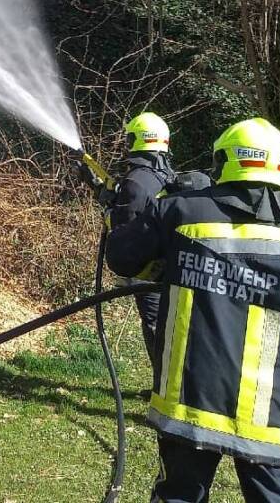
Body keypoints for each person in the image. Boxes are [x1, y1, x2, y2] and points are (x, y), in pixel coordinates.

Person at [106, 118, 280, 503]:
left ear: (222, 163)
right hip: (269, 414)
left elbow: (124, 259)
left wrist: (132, 213)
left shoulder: (179, 213)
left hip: (188, 403)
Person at [107, 111, 176, 377]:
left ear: (135, 140)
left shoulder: (136, 180)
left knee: (155, 326)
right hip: (171, 265)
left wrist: (108, 212)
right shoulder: (165, 174)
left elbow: (126, 231)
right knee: (170, 327)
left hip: (149, 271)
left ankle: (165, 387)